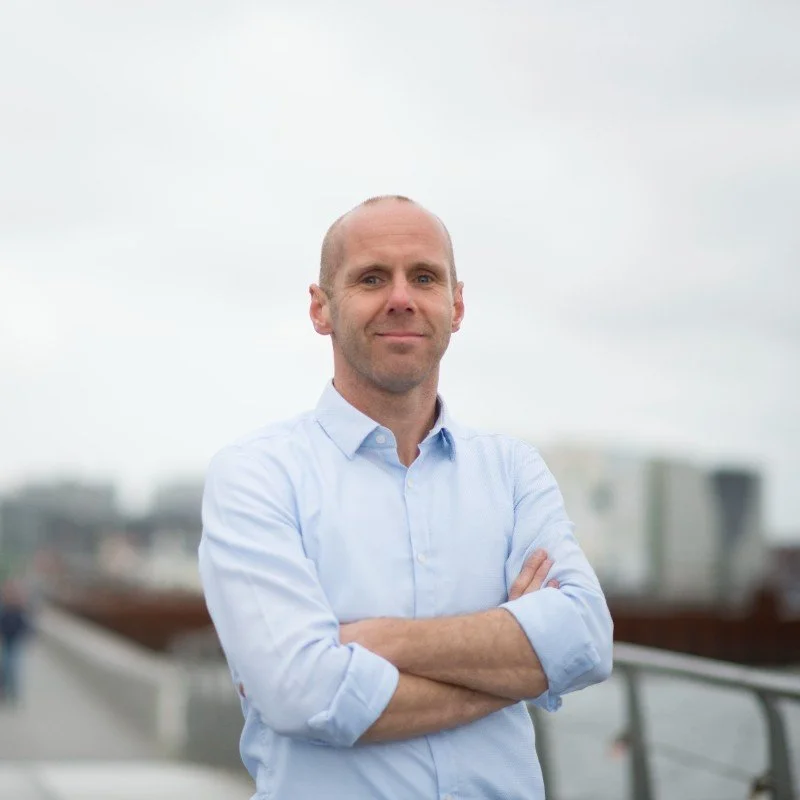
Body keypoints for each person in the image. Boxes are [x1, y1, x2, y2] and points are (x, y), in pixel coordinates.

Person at [199, 195, 614, 799]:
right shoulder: (257, 475)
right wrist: (519, 661)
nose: (401, 297)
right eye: (371, 278)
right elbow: (304, 694)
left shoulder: (514, 471)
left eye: (424, 277)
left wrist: (376, 641)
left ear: (457, 304)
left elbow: (585, 638)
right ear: (321, 309)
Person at [0, 578, 31, 705]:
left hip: (16, 640)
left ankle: (14, 693)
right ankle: (7, 692)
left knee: (14, 666)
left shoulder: (20, 608)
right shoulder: (4, 608)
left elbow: (25, 624)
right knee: (7, 665)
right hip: (7, 639)